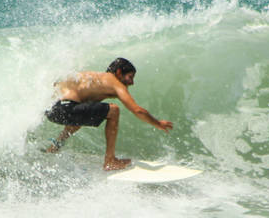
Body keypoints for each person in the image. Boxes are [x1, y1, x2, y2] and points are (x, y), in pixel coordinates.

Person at [44, 57, 173, 171]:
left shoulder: (92, 81)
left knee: (81, 117)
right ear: (118, 73)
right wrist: (158, 123)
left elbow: (74, 117)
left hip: (51, 110)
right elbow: (137, 110)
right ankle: (110, 161)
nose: (132, 82)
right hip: (66, 108)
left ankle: (54, 148)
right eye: (130, 77)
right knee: (113, 110)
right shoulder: (113, 82)